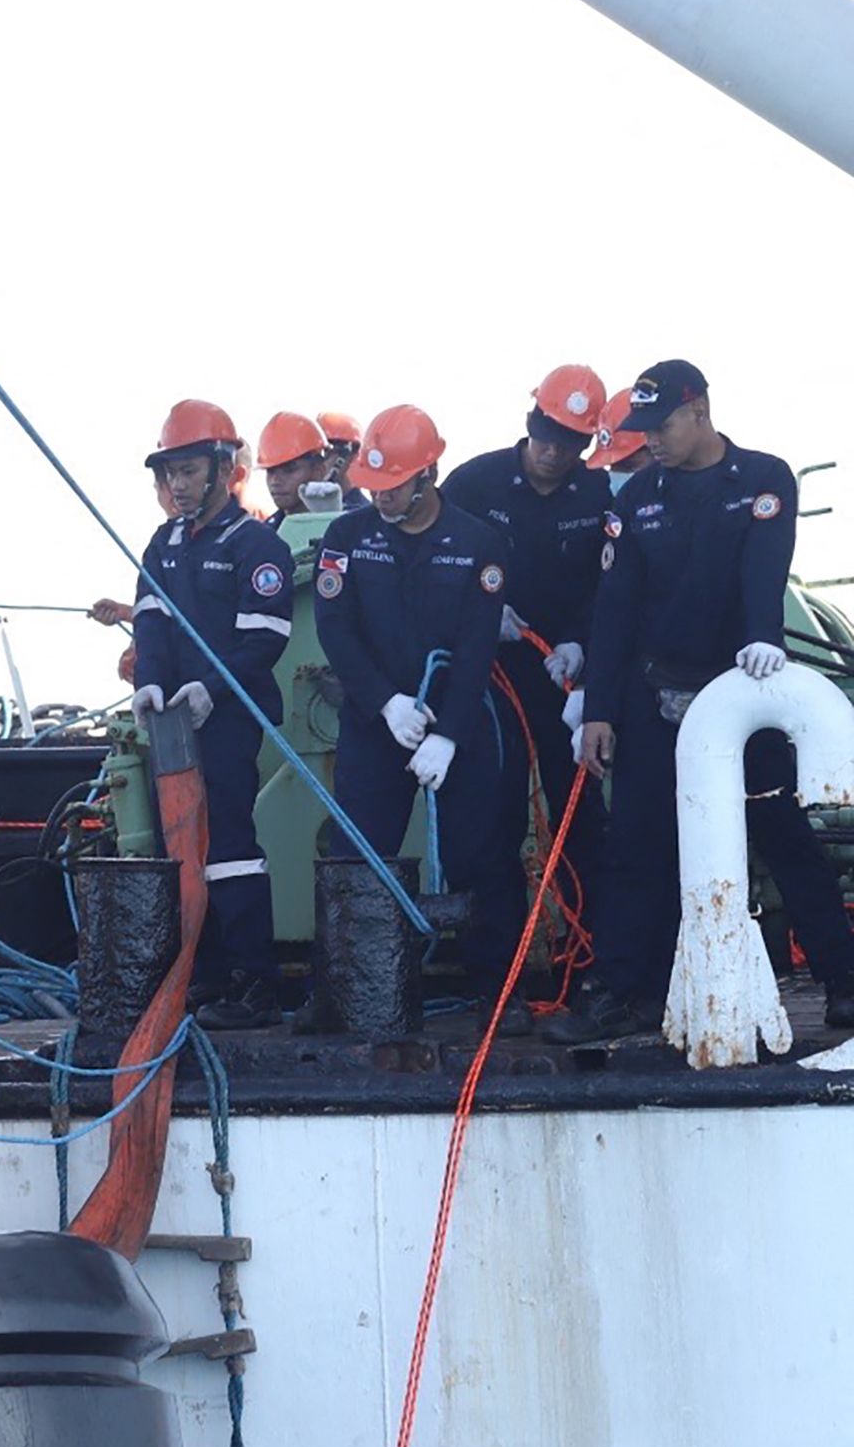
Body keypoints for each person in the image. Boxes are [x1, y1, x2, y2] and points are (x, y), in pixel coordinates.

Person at [544, 360, 854, 1041]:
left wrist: (763, 638)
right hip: (655, 691)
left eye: (659, 425)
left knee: (781, 834)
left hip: (740, 685)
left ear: (699, 411)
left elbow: (763, 565)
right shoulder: (634, 501)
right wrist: (597, 706)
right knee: (637, 841)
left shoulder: (762, 480)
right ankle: (624, 990)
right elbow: (616, 606)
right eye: (640, 428)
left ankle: (843, 975)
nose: (649, 439)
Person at [313, 405, 528, 1030]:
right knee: (358, 855)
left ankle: (497, 990)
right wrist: (384, 702)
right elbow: (336, 627)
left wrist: (450, 736)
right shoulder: (346, 541)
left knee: (482, 855)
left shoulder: (478, 545)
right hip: (376, 723)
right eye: (373, 486)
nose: (379, 498)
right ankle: (349, 992)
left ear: (428, 474)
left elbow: (476, 645)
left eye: (393, 485)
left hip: (456, 721)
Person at [130, 399, 293, 1030]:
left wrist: (208, 690)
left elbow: (263, 639)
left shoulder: (257, 546)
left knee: (228, 842)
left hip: (225, 717)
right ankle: (208, 975)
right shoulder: (163, 544)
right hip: (171, 719)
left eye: (190, 470)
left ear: (225, 469)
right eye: (170, 472)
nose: (178, 483)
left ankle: (256, 982)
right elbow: (151, 621)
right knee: (181, 844)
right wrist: (150, 684)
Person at [442, 366, 613, 905]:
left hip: (563, 676)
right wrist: (477, 615)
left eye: (568, 442)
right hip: (488, 678)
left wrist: (580, 644)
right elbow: (433, 562)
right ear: (529, 422)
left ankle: (589, 962)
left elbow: (613, 586)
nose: (552, 452)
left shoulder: (597, 494)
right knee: (493, 812)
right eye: (545, 435)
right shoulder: (473, 484)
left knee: (576, 813)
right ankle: (497, 964)